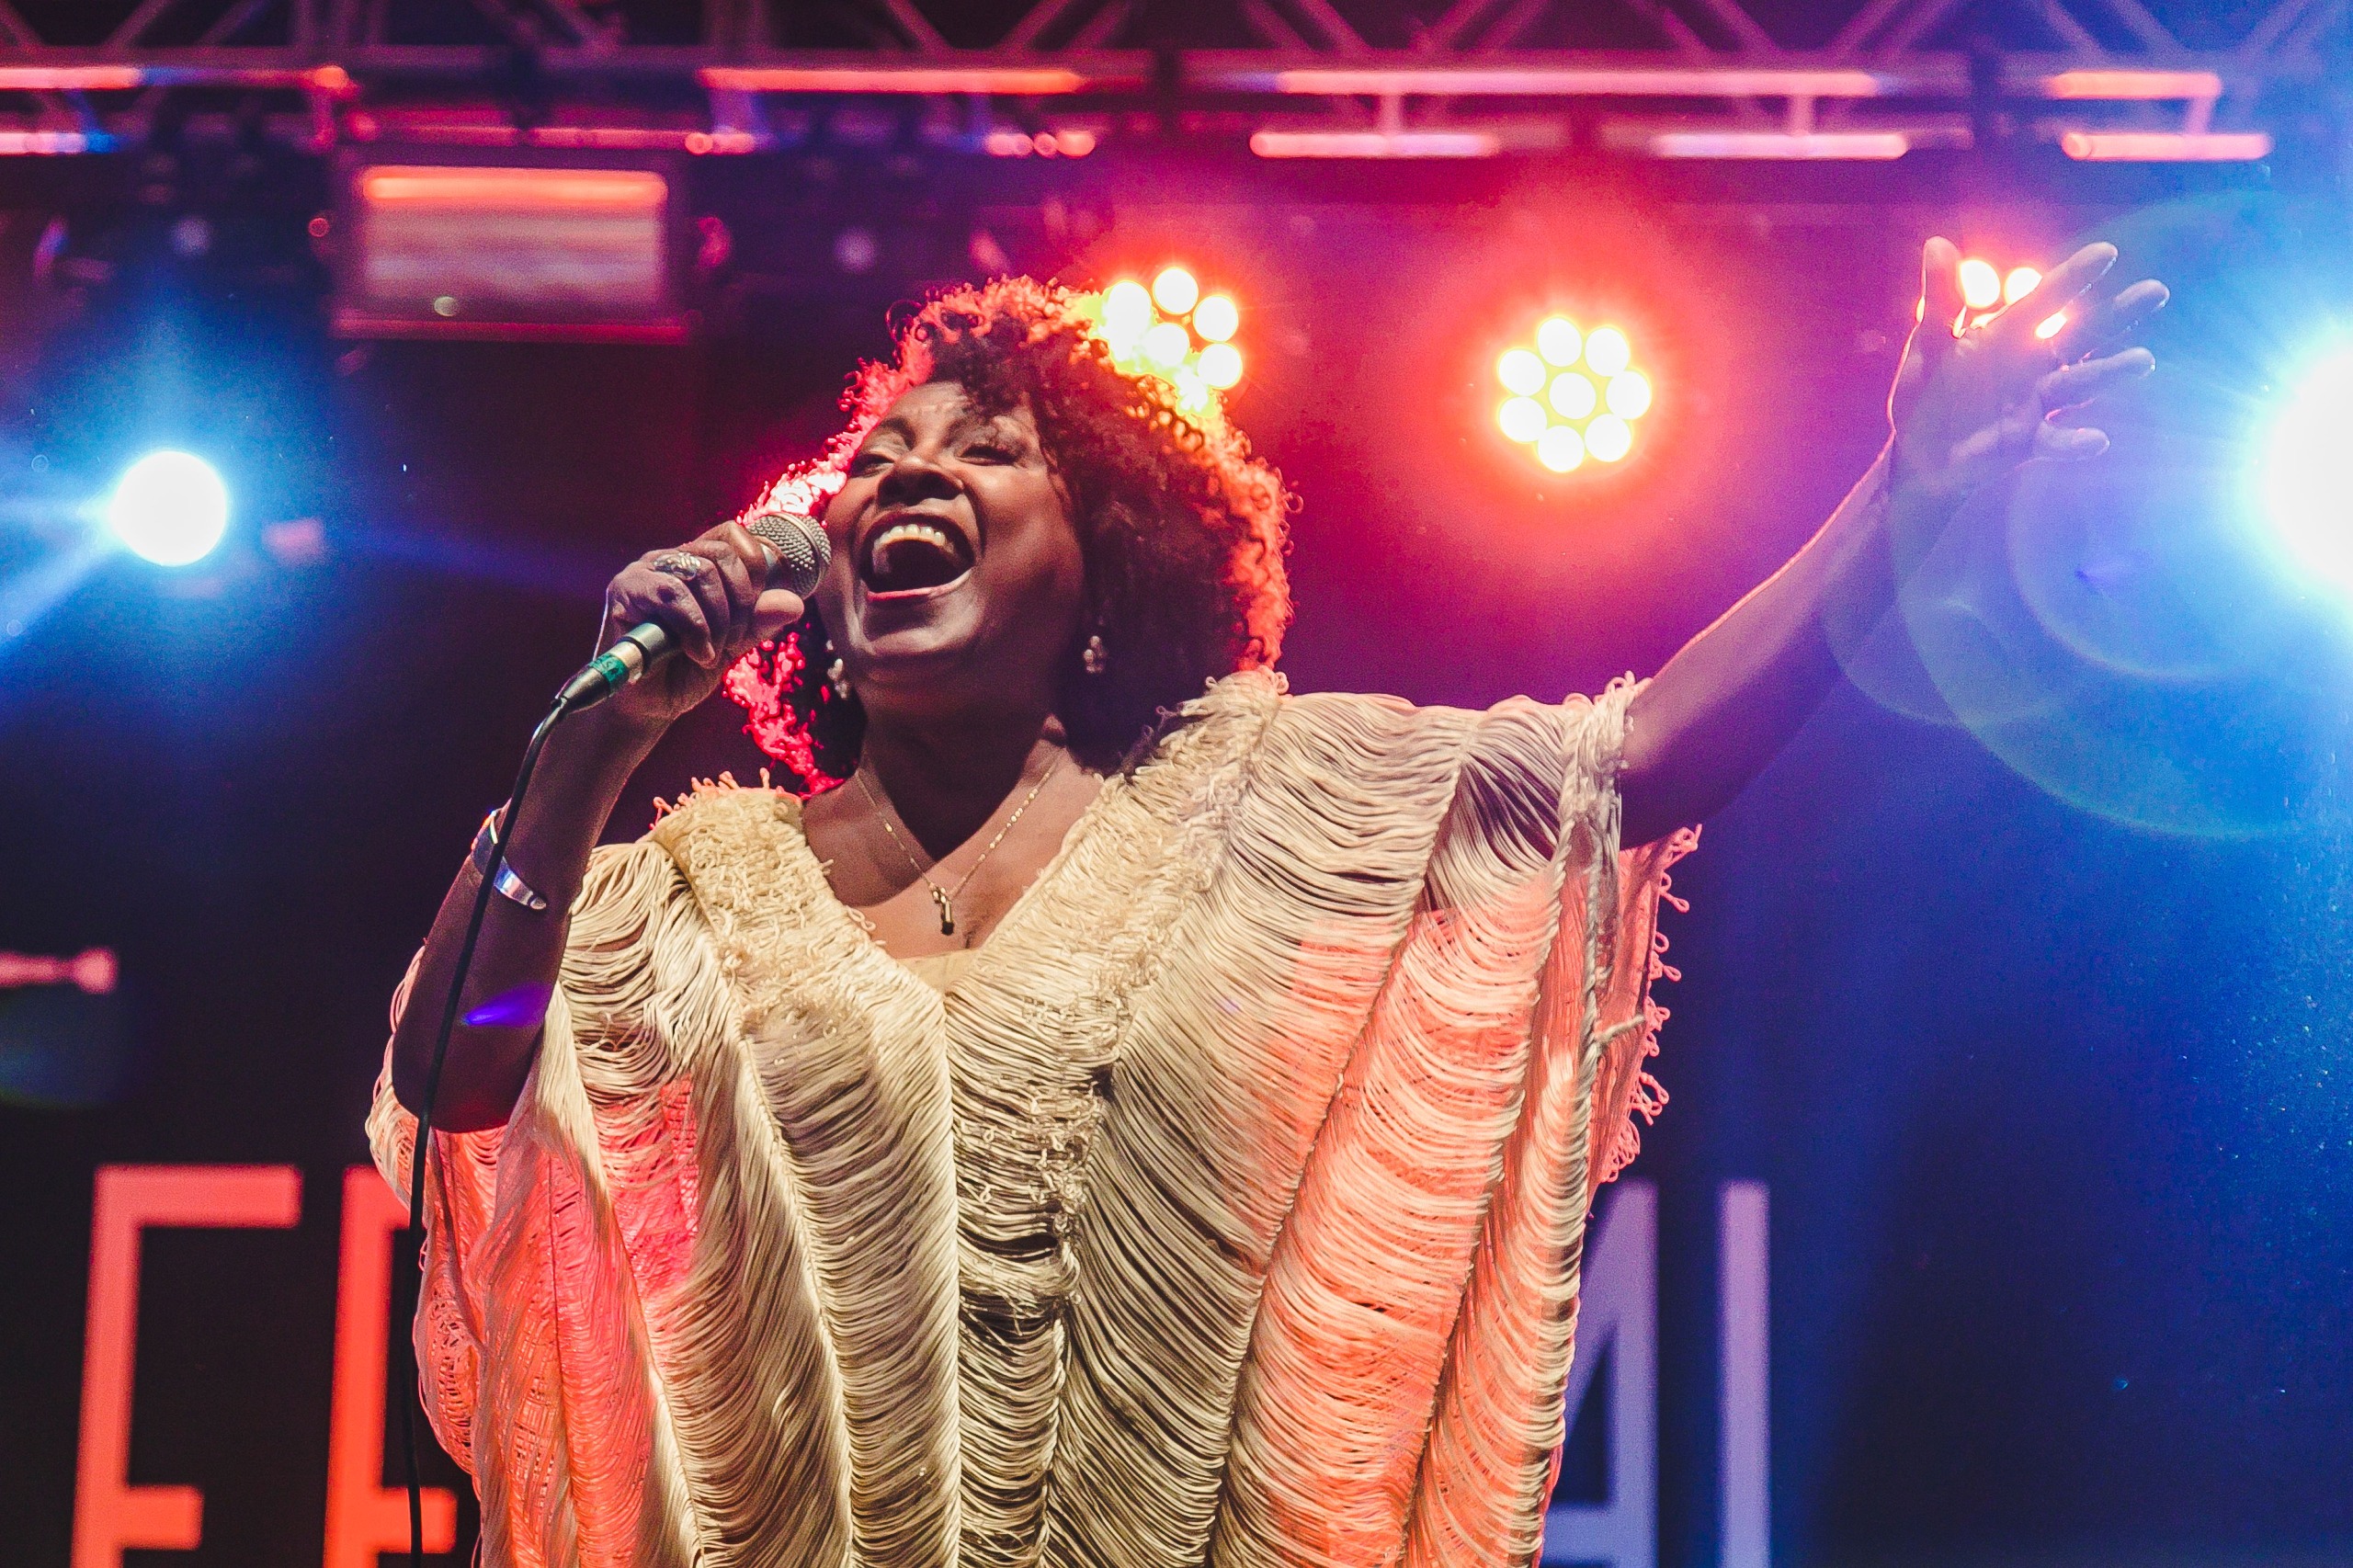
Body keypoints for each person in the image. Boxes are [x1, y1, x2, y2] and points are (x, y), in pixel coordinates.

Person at [371, 244, 2164, 1567]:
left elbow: (1641, 757)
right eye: (879, 461)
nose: (908, 475)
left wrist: (1898, 502)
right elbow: (464, 1085)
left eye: (987, 448)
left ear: (1108, 554)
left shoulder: (1280, 798)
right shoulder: (693, 881)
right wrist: (593, 748)